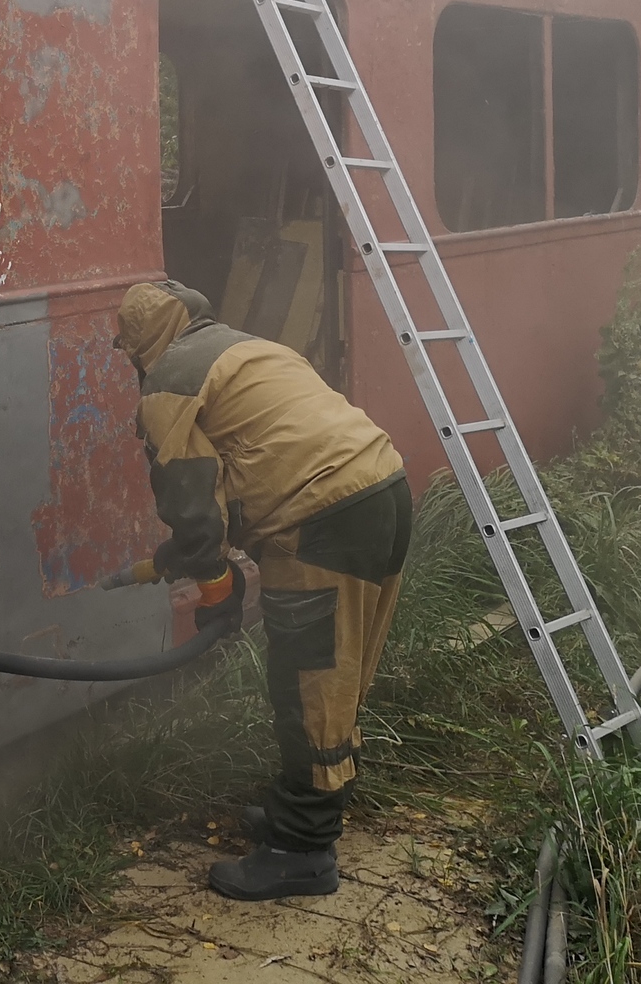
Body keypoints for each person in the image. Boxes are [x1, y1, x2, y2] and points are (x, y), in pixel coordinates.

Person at [114, 279, 412, 901]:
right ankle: (302, 813)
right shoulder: (243, 348)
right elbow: (242, 466)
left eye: (127, 352)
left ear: (141, 344)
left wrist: (213, 587)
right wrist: (192, 557)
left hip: (322, 516)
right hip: (382, 487)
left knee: (307, 683)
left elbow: (193, 507)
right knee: (338, 674)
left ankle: (301, 853)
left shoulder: (168, 380)